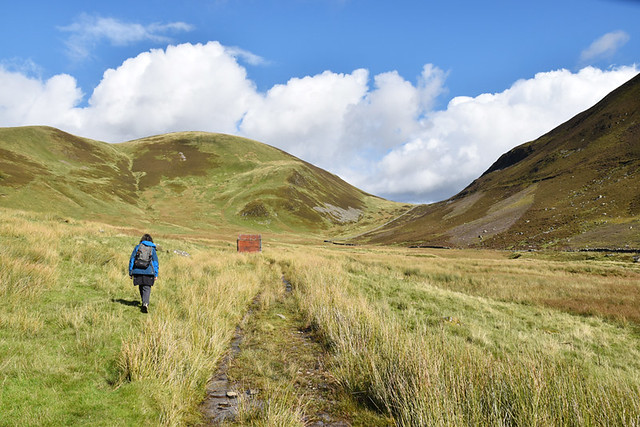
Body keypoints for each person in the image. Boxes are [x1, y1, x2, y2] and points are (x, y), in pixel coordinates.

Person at [128, 233, 159, 313]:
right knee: (147, 287)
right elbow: (155, 262)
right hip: (149, 271)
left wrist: (131, 272)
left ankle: (143, 302)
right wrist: (156, 274)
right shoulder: (152, 249)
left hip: (137, 270)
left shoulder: (138, 247)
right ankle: (145, 303)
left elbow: (132, 260)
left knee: (141, 286)